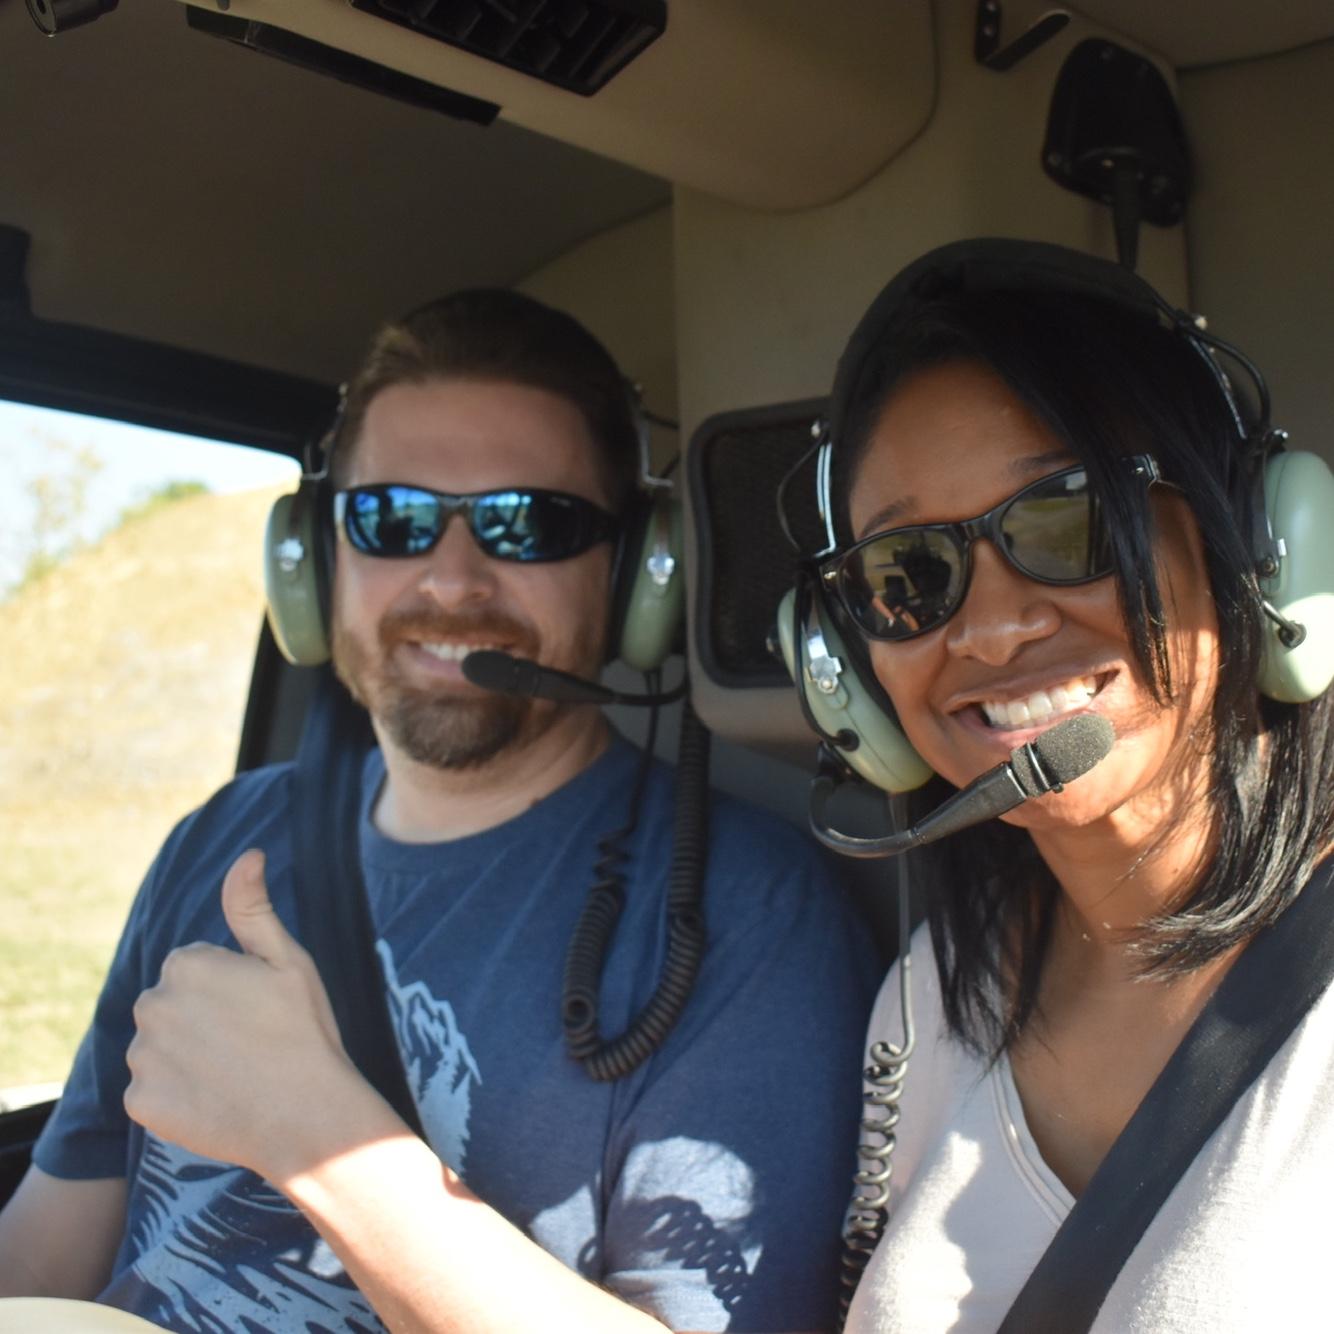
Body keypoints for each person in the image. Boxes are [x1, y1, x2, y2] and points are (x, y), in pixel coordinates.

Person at [0, 290, 879, 1332]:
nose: (451, 577)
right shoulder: (221, 839)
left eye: (528, 524)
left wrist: (311, 1129)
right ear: (317, 557)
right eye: (393, 518)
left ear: (642, 572)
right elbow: (46, 1247)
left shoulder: (748, 915)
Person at [796, 239, 1334, 1331]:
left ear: (1255, 547)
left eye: (1068, 518)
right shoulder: (932, 991)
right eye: (909, 573)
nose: (993, 627)